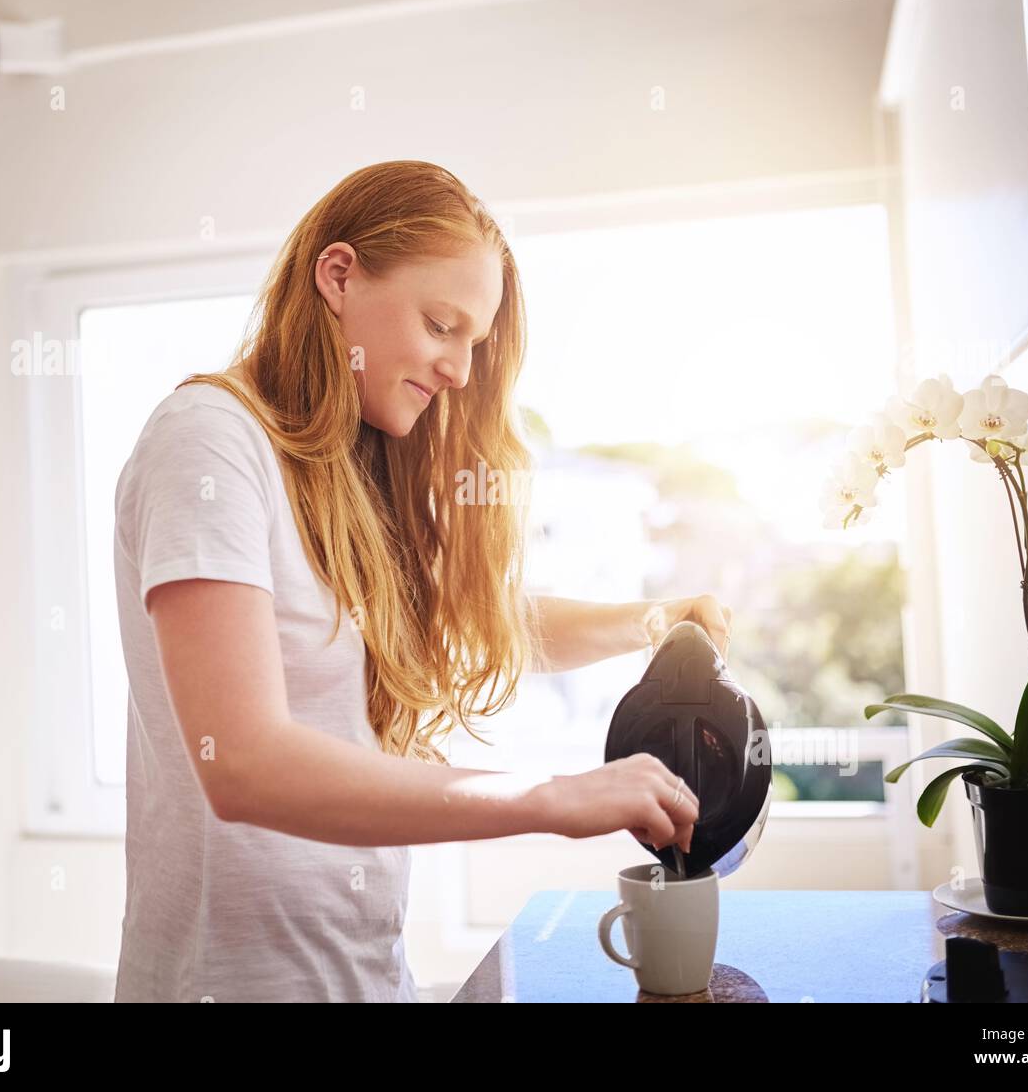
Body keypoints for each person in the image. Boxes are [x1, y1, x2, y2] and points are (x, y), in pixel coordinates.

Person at [111, 160, 732, 1002]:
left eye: (474, 342)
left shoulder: (347, 474)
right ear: (337, 275)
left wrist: (656, 621)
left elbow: (478, 623)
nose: (461, 372)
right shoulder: (208, 443)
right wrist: (550, 797)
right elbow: (244, 762)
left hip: (368, 980)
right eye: (442, 325)